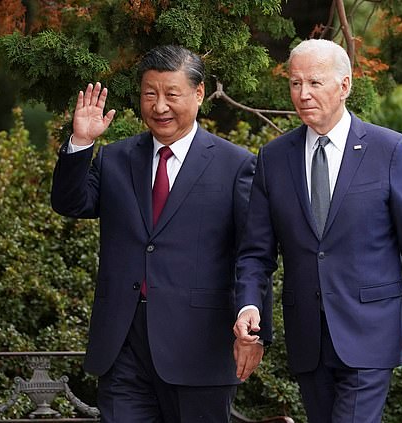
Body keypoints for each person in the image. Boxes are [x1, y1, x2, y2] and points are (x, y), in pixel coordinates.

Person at [233, 39, 402, 422]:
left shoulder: (389, 149)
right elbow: (255, 253)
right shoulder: (273, 158)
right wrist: (248, 304)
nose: (303, 94)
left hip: (371, 333)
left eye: (314, 82)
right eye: (295, 84)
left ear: (344, 85)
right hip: (308, 338)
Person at [51, 45, 260, 422]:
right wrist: (81, 143)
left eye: (171, 94)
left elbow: (253, 254)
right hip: (124, 342)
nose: (159, 106)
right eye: (150, 94)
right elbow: (71, 203)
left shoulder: (236, 165)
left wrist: (256, 327)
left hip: (199, 347)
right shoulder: (116, 158)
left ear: (198, 94)